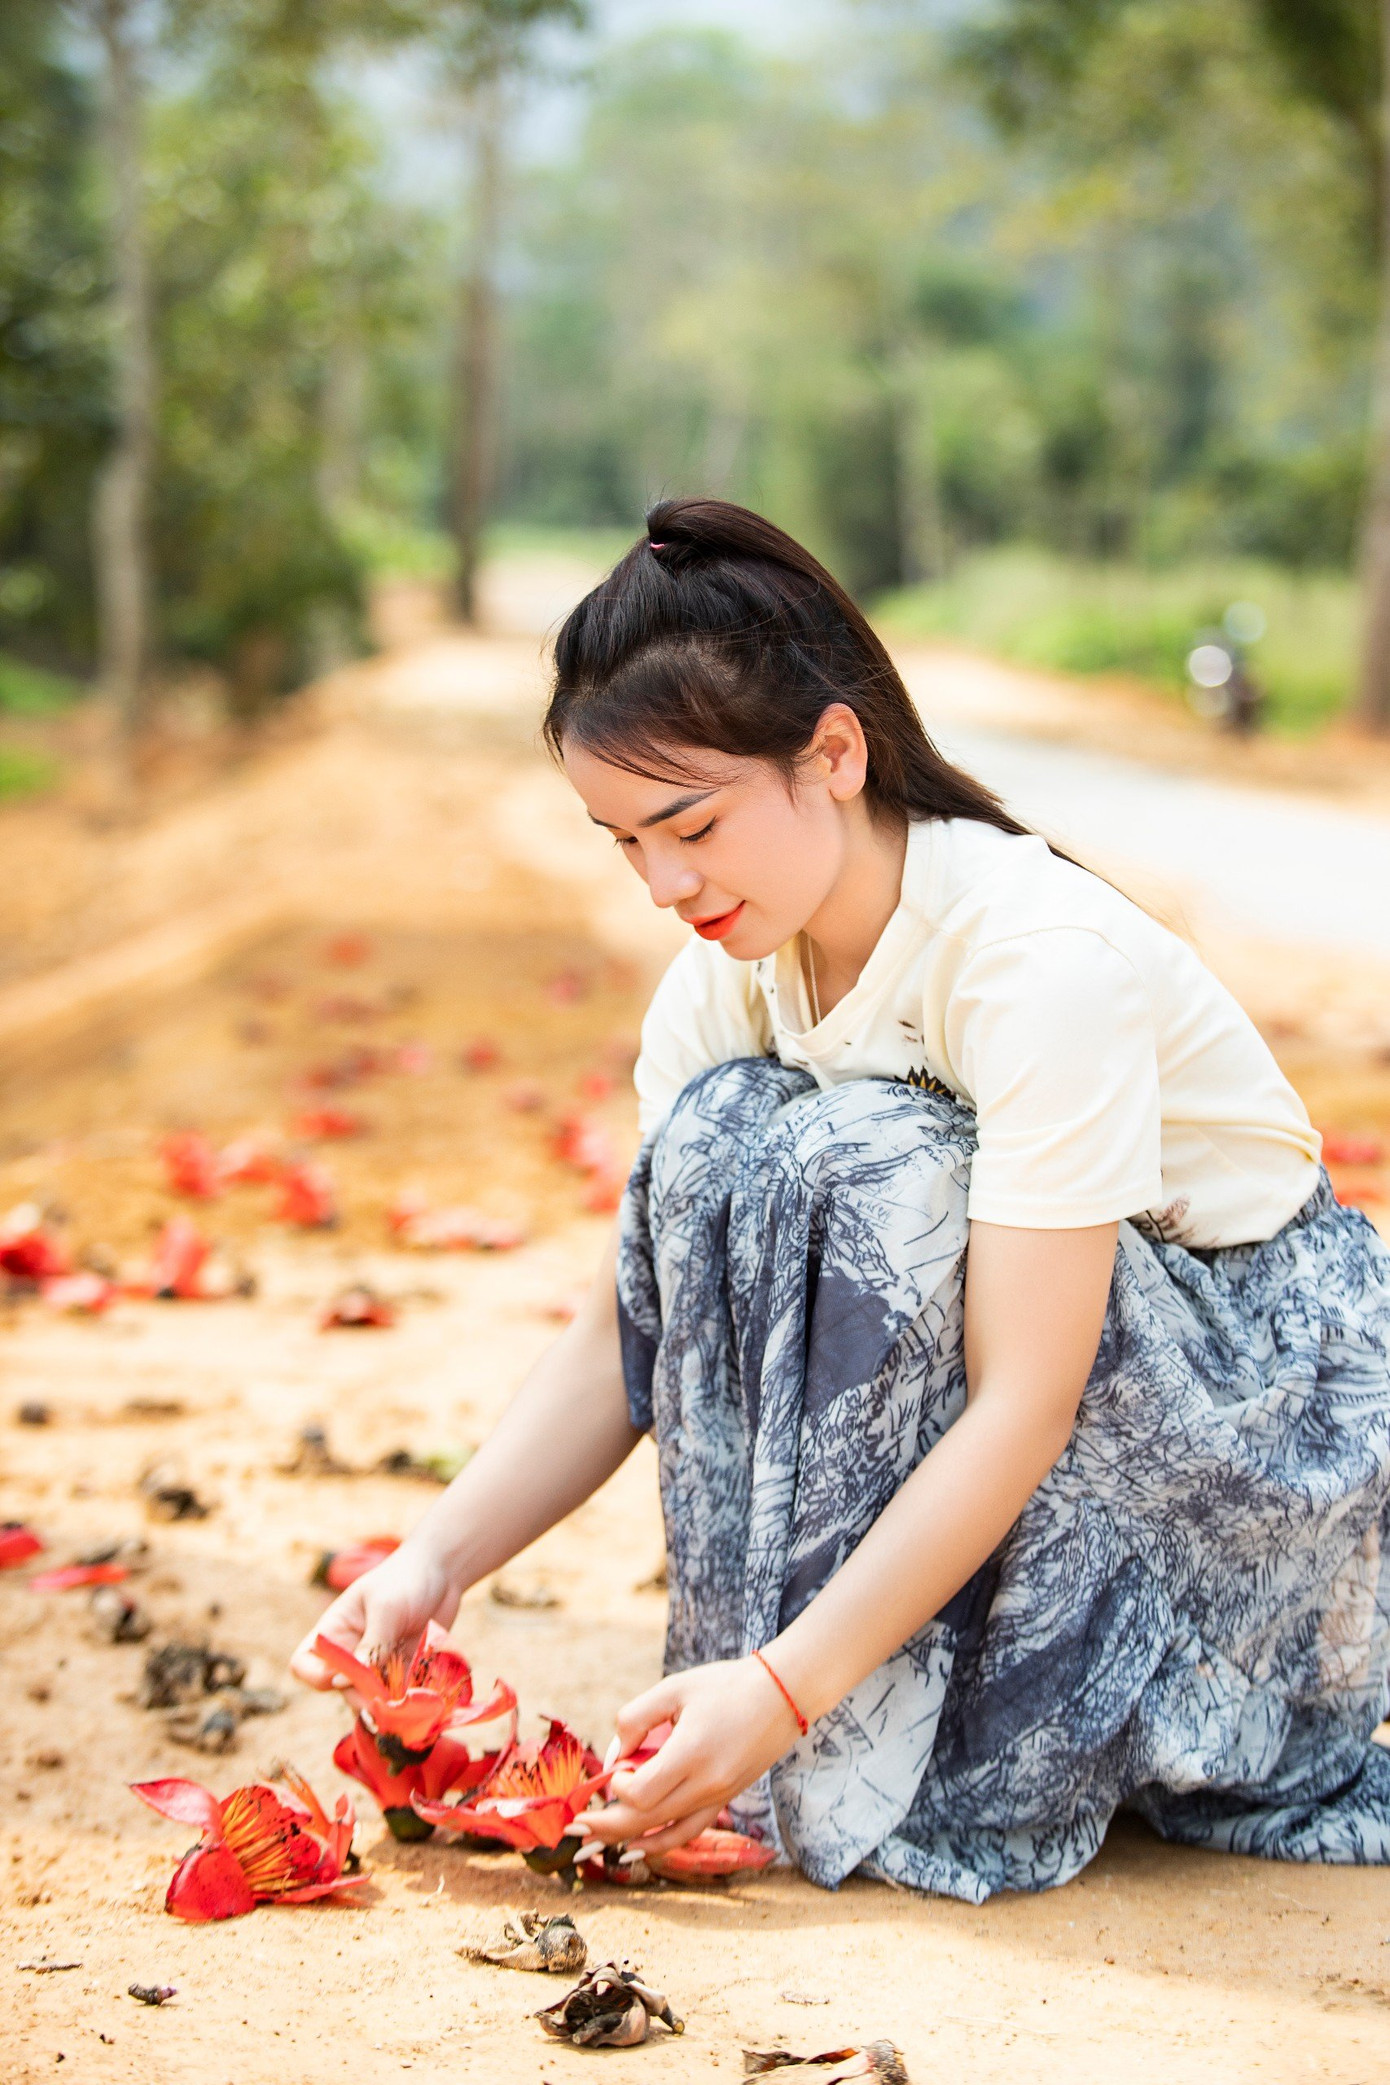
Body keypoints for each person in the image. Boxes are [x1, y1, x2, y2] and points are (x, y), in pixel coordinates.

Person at [293, 498, 1390, 1902]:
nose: (661, 883)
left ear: (831, 754)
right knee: (717, 1145)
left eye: (686, 823)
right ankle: (811, 1699)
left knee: (866, 1162)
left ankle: (887, 1712)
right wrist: (431, 1559)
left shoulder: (1026, 960)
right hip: (1089, 1382)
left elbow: (1026, 1397)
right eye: (621, 840)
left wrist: (785, 1686)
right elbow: (624, 1333)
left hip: (1254, 1432)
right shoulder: (723, 977)